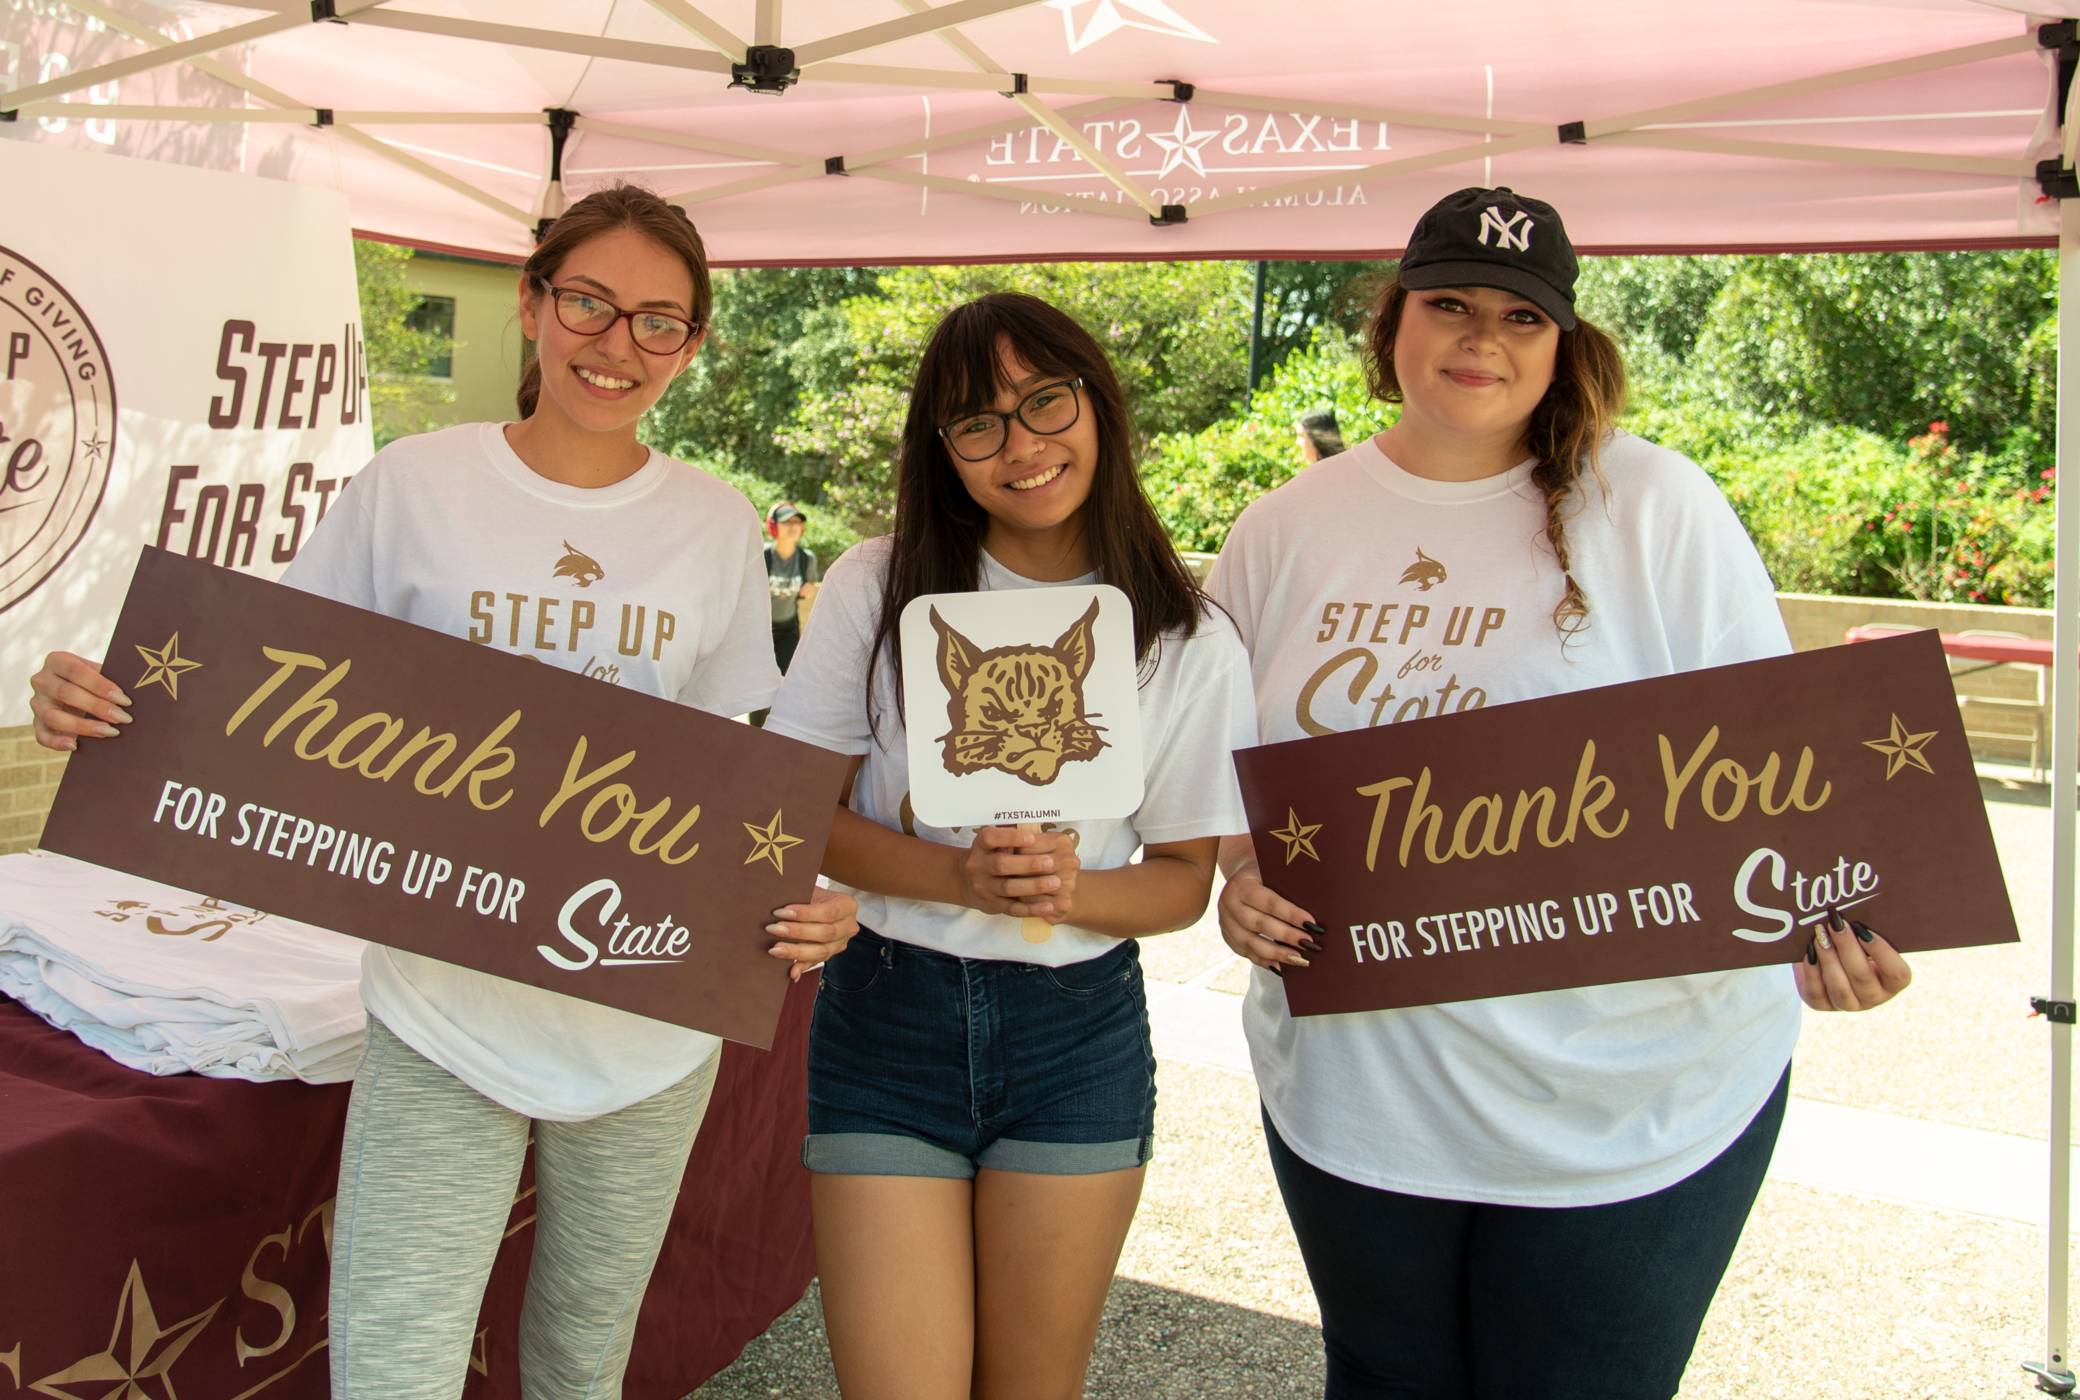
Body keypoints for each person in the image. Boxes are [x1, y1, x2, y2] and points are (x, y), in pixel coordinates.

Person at [26, 184, 859, 1400]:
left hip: (645, 1022)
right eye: (589, 301)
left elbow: (728, 767)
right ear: (531, 304)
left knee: (581, 1362)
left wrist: (811, 889)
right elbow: (259, 694)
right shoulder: (410, 486)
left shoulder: (715, 522)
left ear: (691, 345)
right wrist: (103, 708)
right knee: (393, 1367)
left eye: (659, 322)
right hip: (440, 1011)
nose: (617, 343)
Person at [1209, 186, 1914, 1400]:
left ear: (1561, 345)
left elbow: (1788, 773)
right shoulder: (1279, 533)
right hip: (1362, 1094)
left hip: (1637, 1102)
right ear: (1392, 323)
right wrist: (1238, 879)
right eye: (1449, 305)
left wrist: (1845, 923)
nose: (1481, 338)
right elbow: (1215, 769)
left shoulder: (1657, 508)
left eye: (1519, 317)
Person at [762, 292, 1257, 1400]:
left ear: (1098, 401)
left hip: (1072, 1036)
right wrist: (955, 874)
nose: (1022, 445)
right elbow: (790, 805)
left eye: (1045, 400)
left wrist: (1070, 886)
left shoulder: (1185, 632)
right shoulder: (875, 585)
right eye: (977, 422)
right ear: (942, 450)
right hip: (884, 1020)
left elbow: (1179, 881)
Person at [764, 501, 822, 673]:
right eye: (786, 522)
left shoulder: (807, 558)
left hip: (789, 628)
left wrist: (809, 590)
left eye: (797, 522)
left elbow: (809, 585)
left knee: (785, 676)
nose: (793, 526)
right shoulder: (762, 555)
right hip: (760, 628)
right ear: (773, 527)